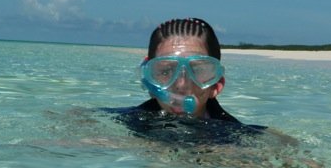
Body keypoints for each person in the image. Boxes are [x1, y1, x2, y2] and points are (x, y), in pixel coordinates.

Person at [113, 18, 266, 144]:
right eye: (166, 71)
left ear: (217, 85)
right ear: (149, 81)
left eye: (197, 70)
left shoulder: (241, 139)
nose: (181, 85)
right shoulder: (119, 125)